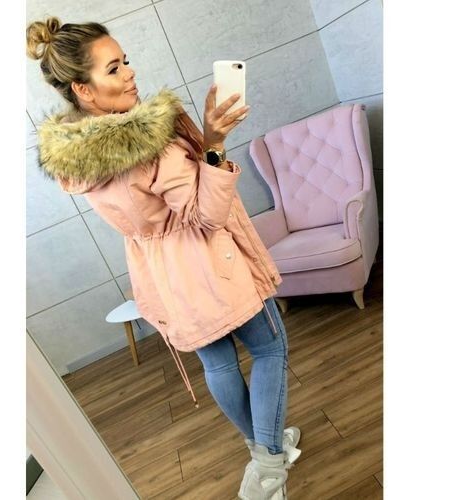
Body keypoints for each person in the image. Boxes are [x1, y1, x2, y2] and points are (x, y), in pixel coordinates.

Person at [26, 16, 302, 499]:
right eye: (114, 68)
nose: (130, 72)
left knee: (218, 364)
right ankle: (268, 465)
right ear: (83, 89)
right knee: (268, 349)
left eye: (126, 61)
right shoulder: (148, 145)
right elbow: (206, 215)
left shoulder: (81, 160)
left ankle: (263, 444)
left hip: (165, 276)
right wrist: (213, 143)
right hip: (212, 262)